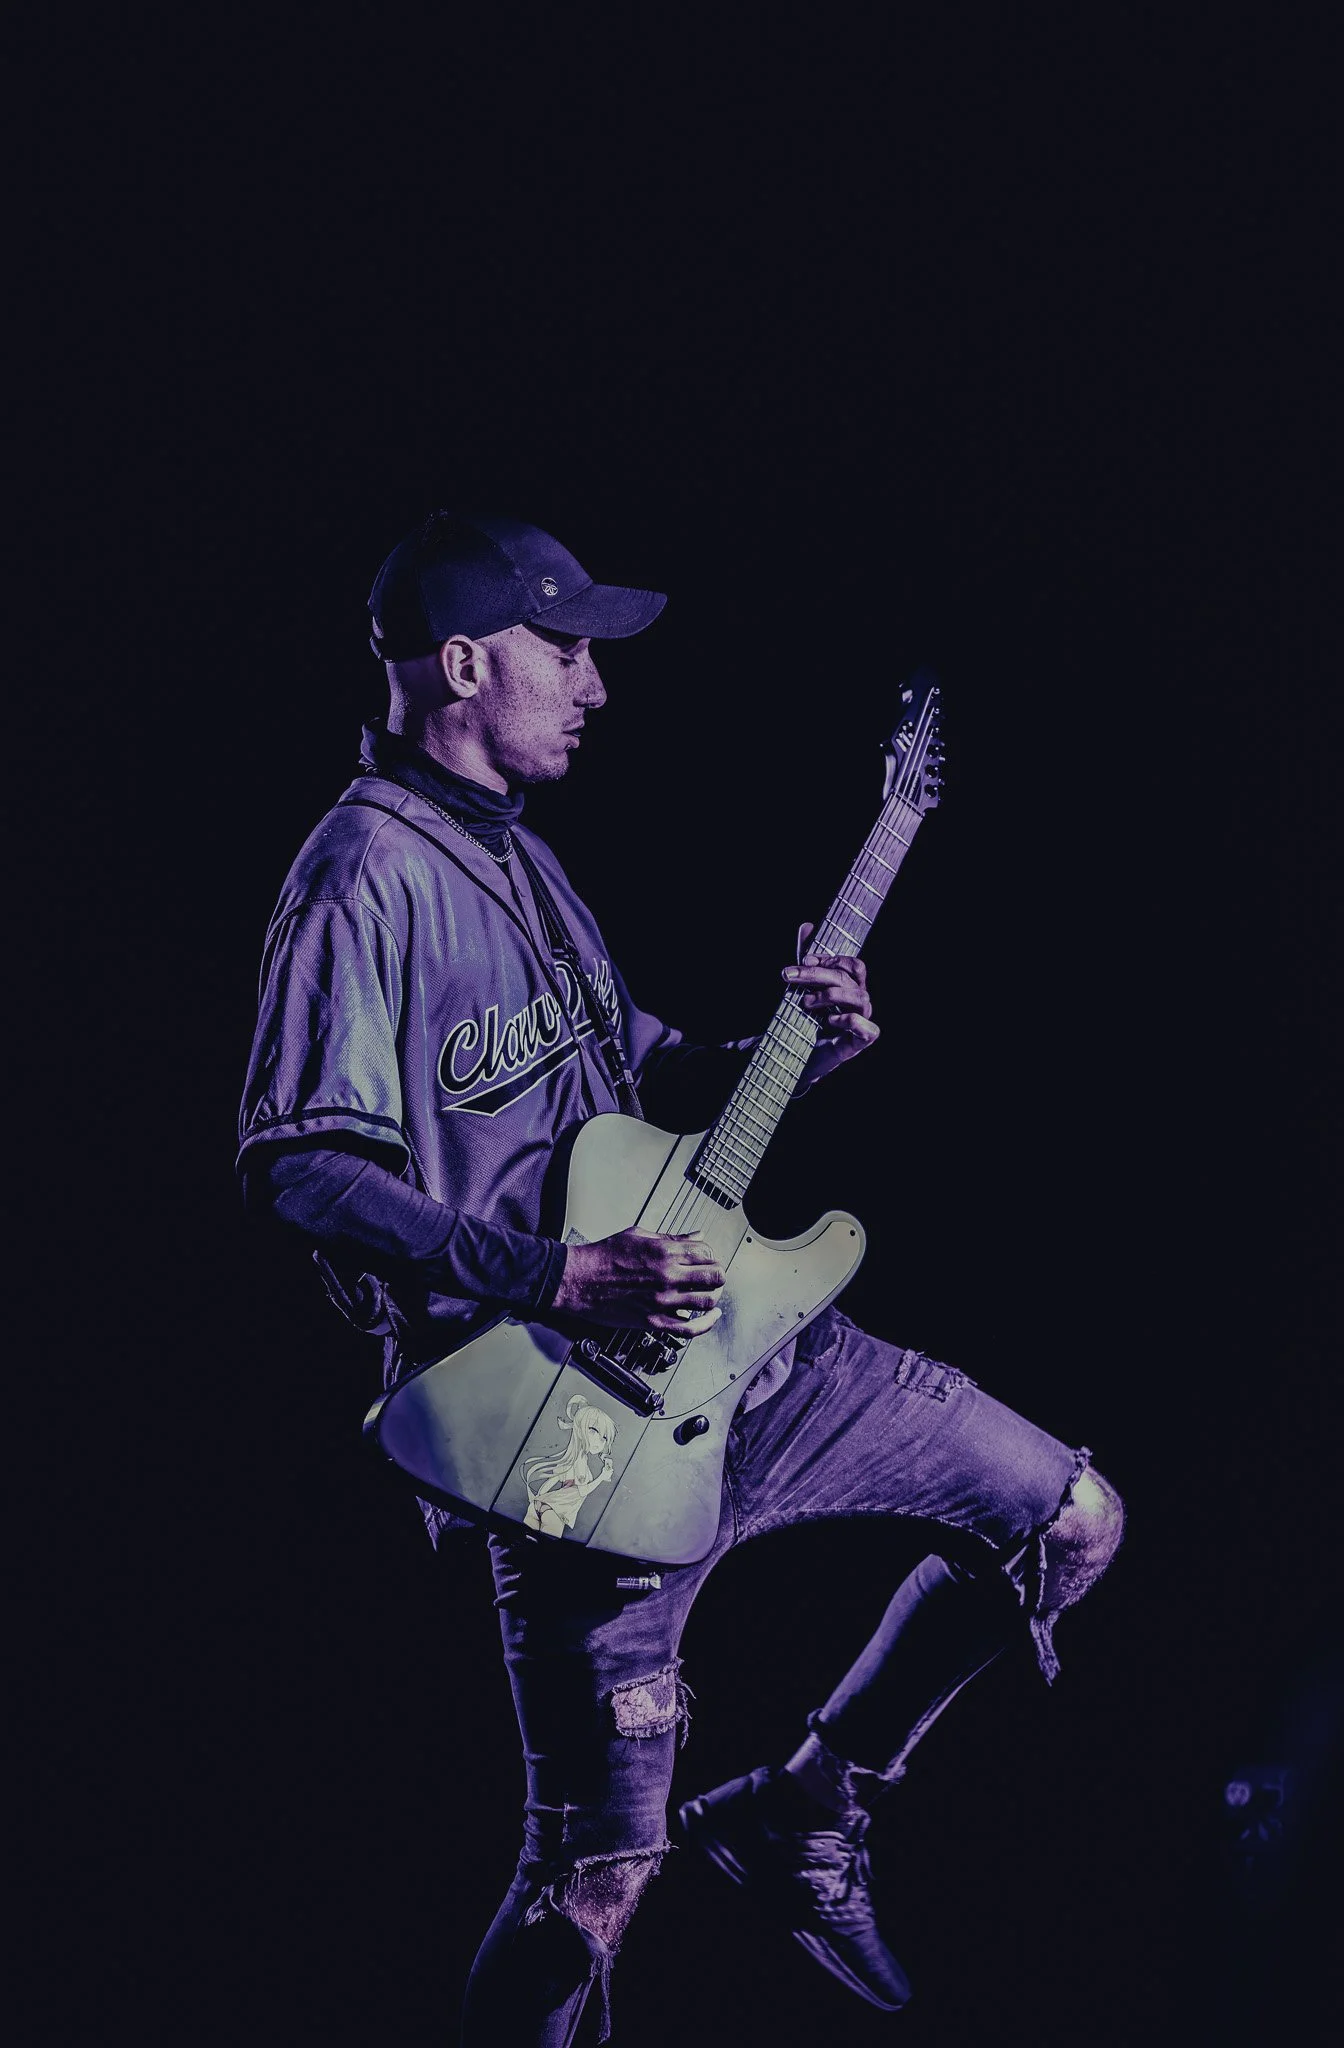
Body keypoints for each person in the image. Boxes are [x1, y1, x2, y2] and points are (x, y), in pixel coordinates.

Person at [238, 510, 1125, 2045]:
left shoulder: (519, 849)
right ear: (463, 661)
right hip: (578, 1435)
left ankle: (808, 1804)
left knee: (1070, 1522)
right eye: (565, 649)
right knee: (592, 1894)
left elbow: (638, 1079)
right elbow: (297, 1166)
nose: (596, 685)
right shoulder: (359, 881)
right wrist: (557, 1278)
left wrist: (788, 1055)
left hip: (753, 1352)